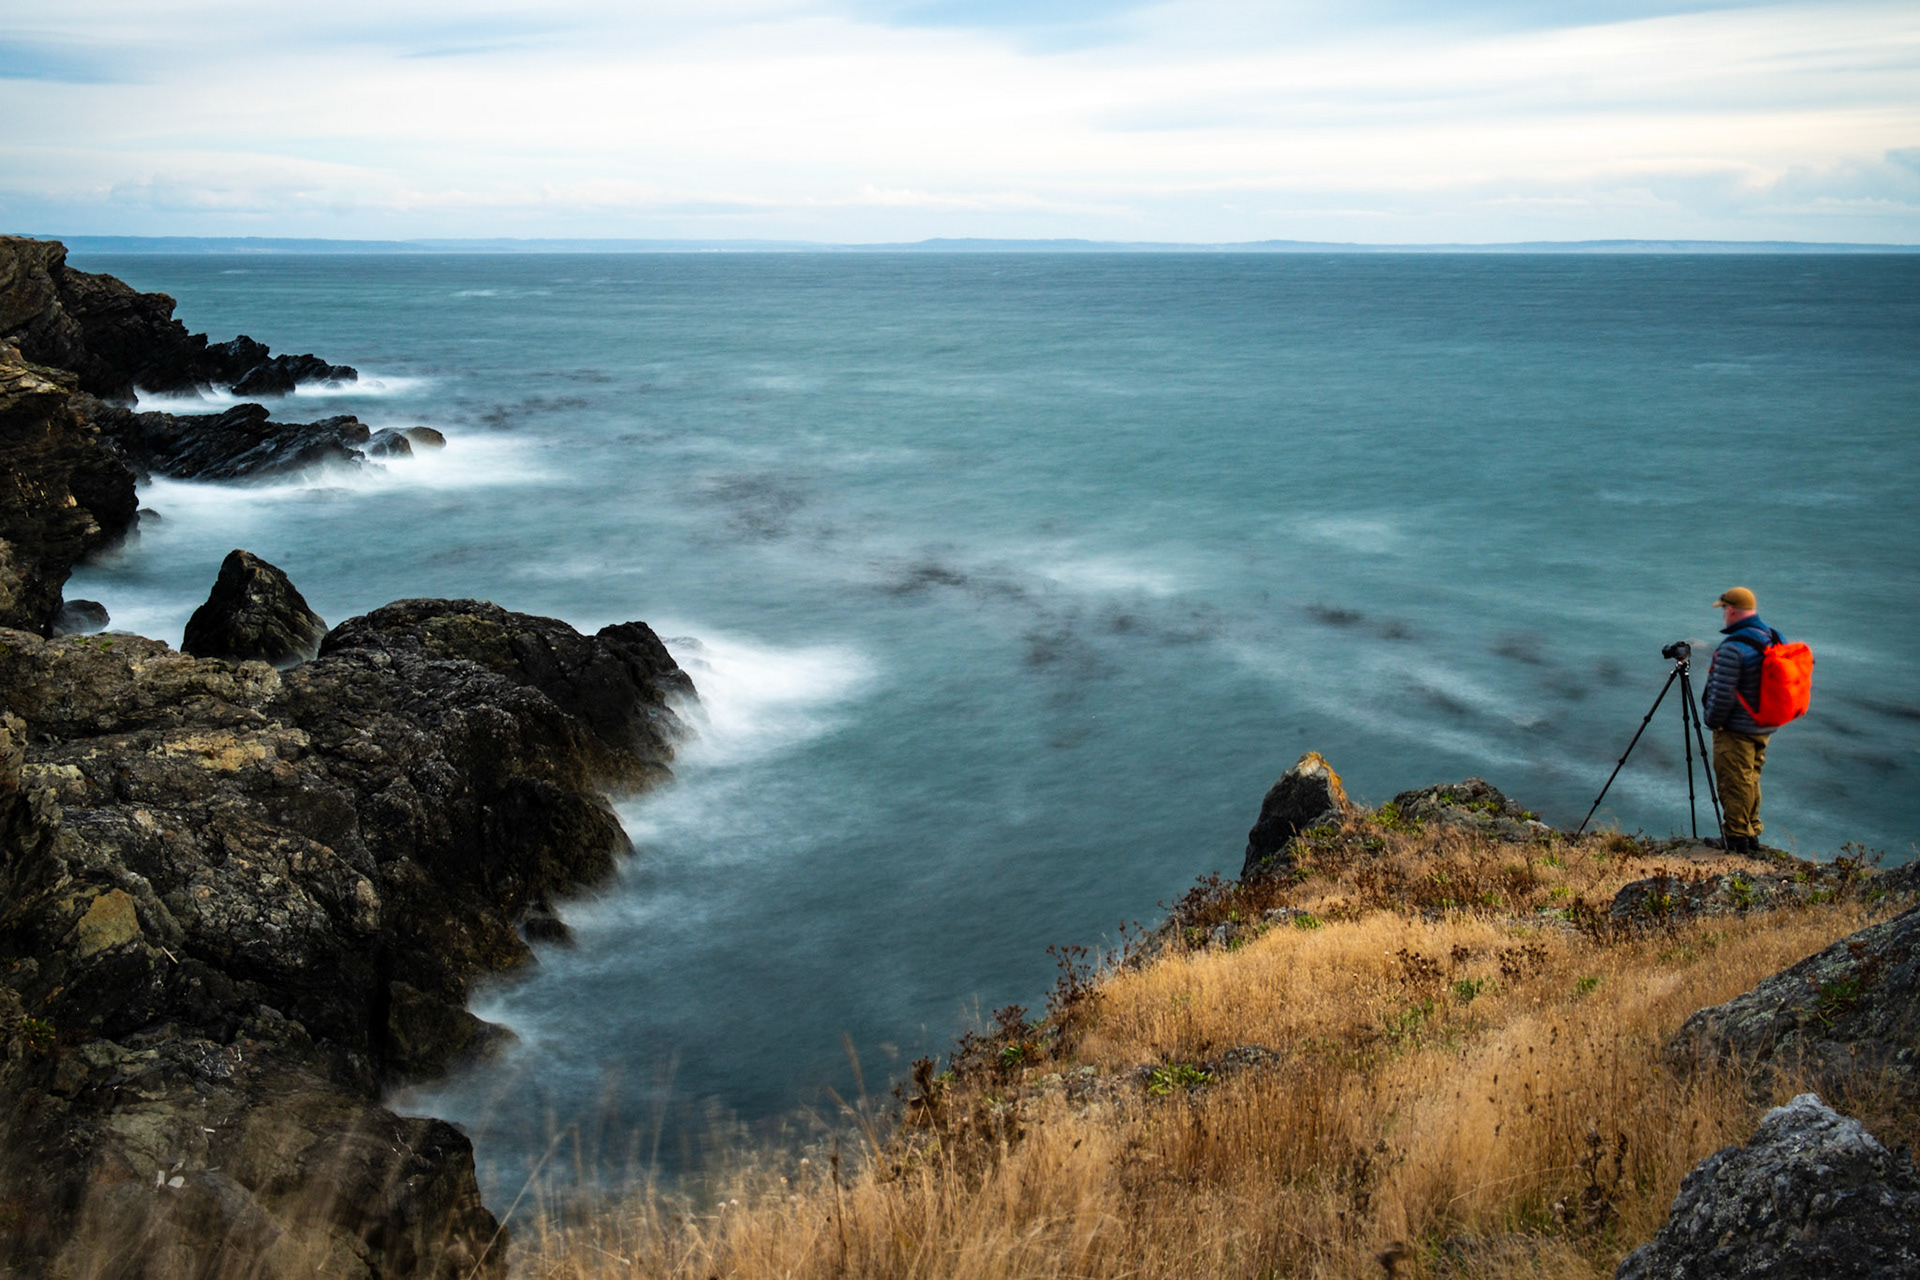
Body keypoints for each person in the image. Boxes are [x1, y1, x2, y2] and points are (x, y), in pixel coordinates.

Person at [1700, 586, 1781, 853]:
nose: (1723, 614)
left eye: (1724, 609)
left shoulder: (1733, 647)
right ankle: (1751, 831)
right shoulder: (1772, 636)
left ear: (1732, 610)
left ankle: (1736, 837)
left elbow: (1722, 693)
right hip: (1763, 723)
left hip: (1736, 727)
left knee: (1734, 781)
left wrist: (1713, 721)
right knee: (1750, 777)